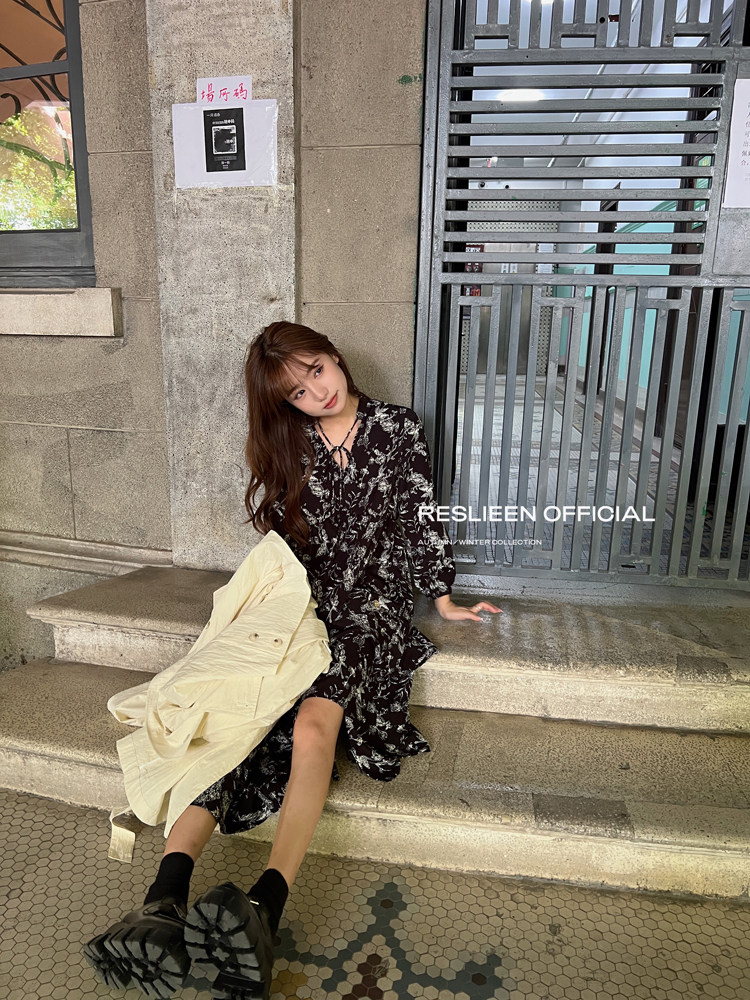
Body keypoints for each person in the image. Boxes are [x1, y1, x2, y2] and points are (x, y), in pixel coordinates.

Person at [84, 321, 501, 1000]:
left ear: (333, 355)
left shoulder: (397, 428)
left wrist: (443, 597)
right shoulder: (292, 443)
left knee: (311, 725)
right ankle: (163, 900)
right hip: (302, 606)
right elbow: (282, 546)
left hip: (371, 608)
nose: (316, 392)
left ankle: (265, 907)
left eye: (316, 371)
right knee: (238, 724)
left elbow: (419, 517)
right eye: (298, 392)